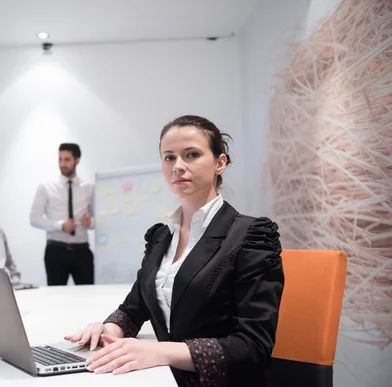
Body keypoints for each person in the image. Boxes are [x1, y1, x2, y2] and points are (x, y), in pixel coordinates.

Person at [65, 116, 285, 387]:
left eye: (191, 155)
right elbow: (134, 309)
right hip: (163, 376)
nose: (178, 166)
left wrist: (159, 351)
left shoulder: (251, 236)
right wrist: (107, 330)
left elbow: (253, 346)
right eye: (169, 157)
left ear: (220, 162)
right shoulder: (161, 236)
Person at [30, 143, 95, 286]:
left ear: (77, 160)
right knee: (55, 298)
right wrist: (60, 226)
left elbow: (100, 219)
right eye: (60, 159)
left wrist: (90, 223)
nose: (62, 164)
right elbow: (34, 219)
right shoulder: (46, 187)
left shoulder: (89, 188)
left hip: (82, 250)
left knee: (88, 296)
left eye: (67, 159)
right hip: (56, 251)